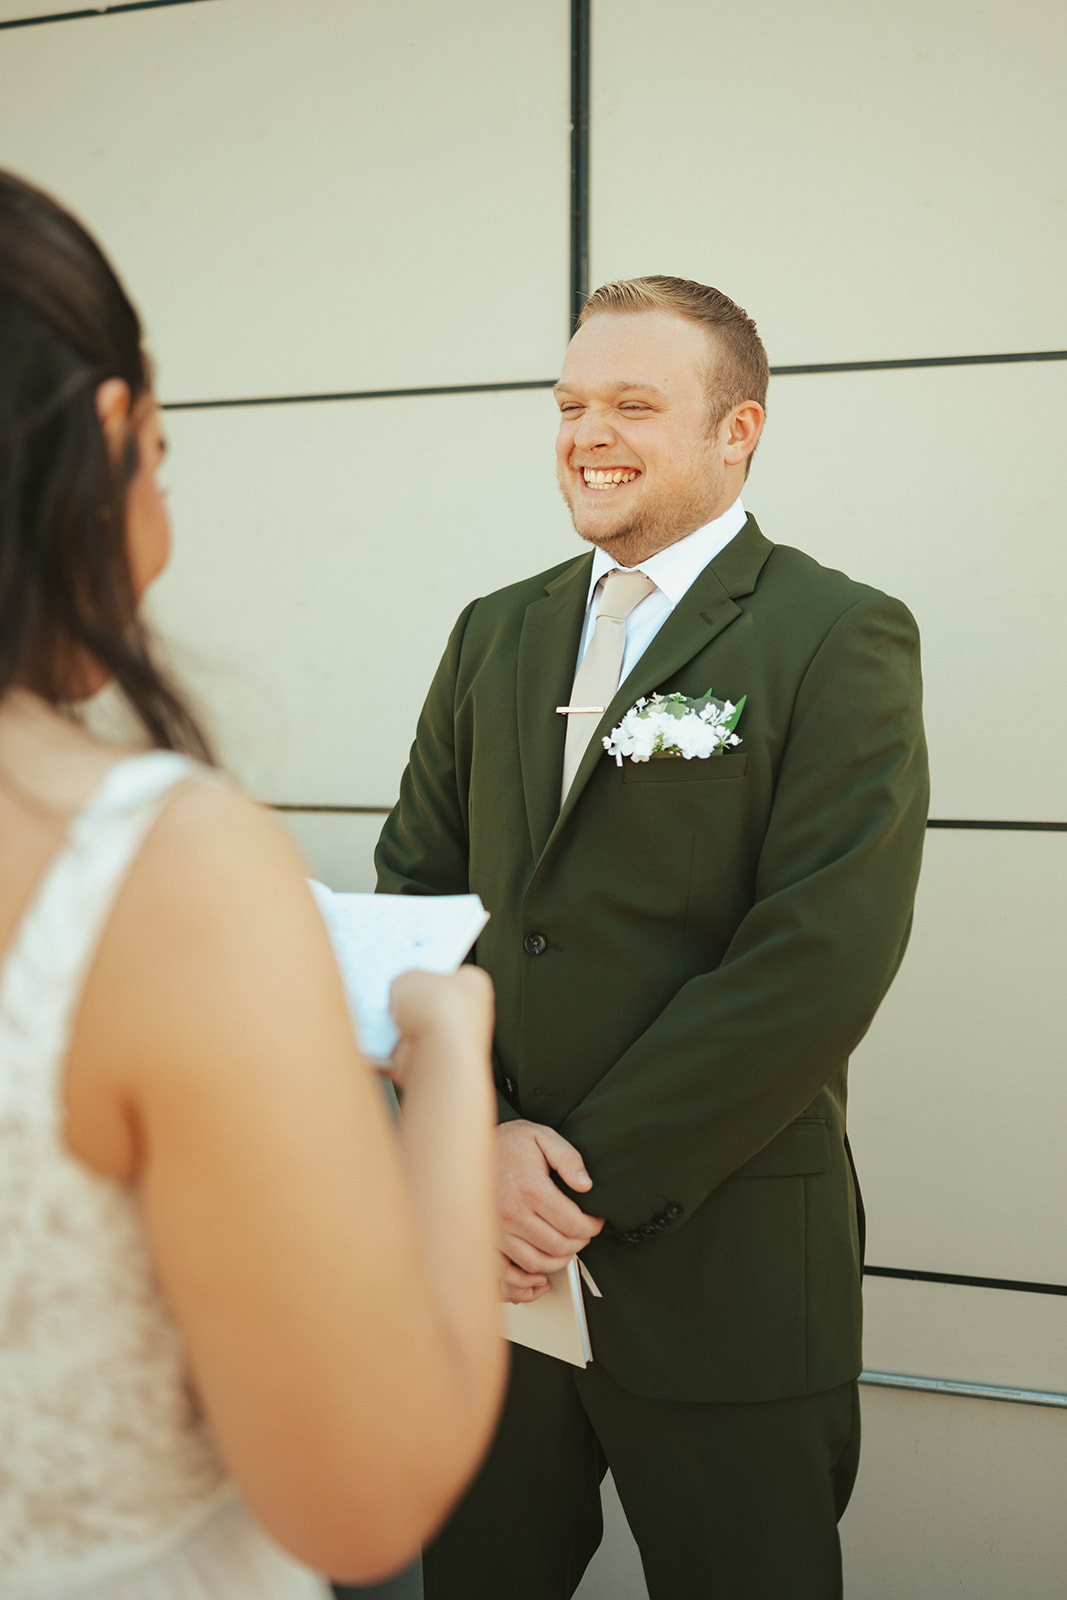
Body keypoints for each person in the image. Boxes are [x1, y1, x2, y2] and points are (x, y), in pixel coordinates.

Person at [374, 276, 929, 1600]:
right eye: (570, 405)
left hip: (720, 1267)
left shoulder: (833, 635)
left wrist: (567, 1183)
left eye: (633, 404)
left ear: (739, 431)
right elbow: (415, 899)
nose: (588, 434)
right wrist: (478, 1139)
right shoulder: (494, 632)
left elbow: (817, 959)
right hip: (488, 1273)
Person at [0, 168, 505, 1599]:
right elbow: (363, 1496)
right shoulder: (159, 866)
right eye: (166, 456)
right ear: (112, 437)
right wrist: (452, 1060)